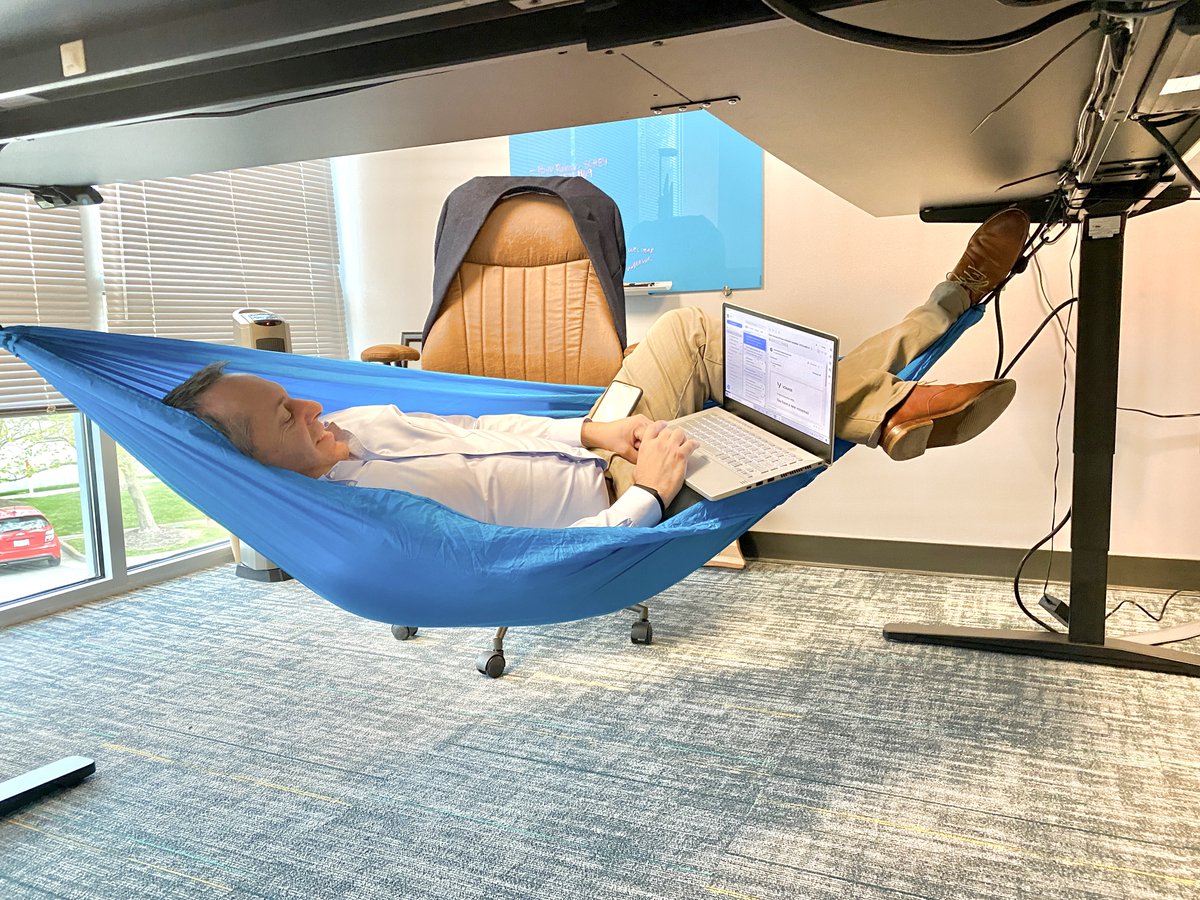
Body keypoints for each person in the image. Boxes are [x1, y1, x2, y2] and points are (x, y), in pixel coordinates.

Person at [164, 209, 1029, 530]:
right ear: (249, 468)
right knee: (777, 398)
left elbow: (479, 426)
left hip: (599, 435)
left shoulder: (362, 427)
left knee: (699, 334)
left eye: (290, 392)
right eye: (285, 414)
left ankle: (887, 402)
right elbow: (532, 570)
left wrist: (593, 425)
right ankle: (938, 322)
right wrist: (647, 491)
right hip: (611, 499)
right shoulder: (364, 524)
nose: (312, 402)